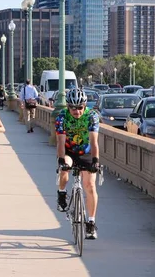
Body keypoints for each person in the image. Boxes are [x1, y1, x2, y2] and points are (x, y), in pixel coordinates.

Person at [55, 88, 101, 239]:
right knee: (64, 171)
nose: (77, 111)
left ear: (85, 106)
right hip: (69, 151)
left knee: (90, 185)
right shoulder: (62, 117)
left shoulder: (92, 116)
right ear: (68, 106)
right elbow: (60, 141)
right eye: (73, 108)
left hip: (86, 152)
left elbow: (94, 142)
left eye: (80, 107)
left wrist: (95, 161)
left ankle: (91, 223)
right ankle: (62, 194)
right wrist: (61, 161)